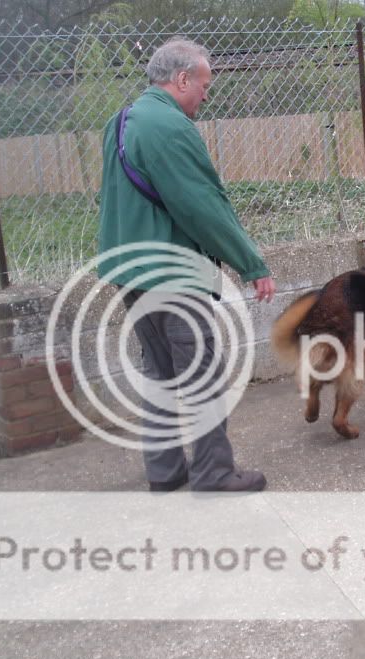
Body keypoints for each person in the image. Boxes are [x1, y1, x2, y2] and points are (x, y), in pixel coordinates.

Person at [97, 37, 275, 493]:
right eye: (203, 84)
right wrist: (250, 264)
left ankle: (165, 472)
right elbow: (201, 206)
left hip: (132, 273)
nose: (206, 94)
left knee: (159, 372)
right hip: (172, 273)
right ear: (181, 79)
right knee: (201, 374)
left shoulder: (120, 122)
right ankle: (213, 473)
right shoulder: (170, 127)